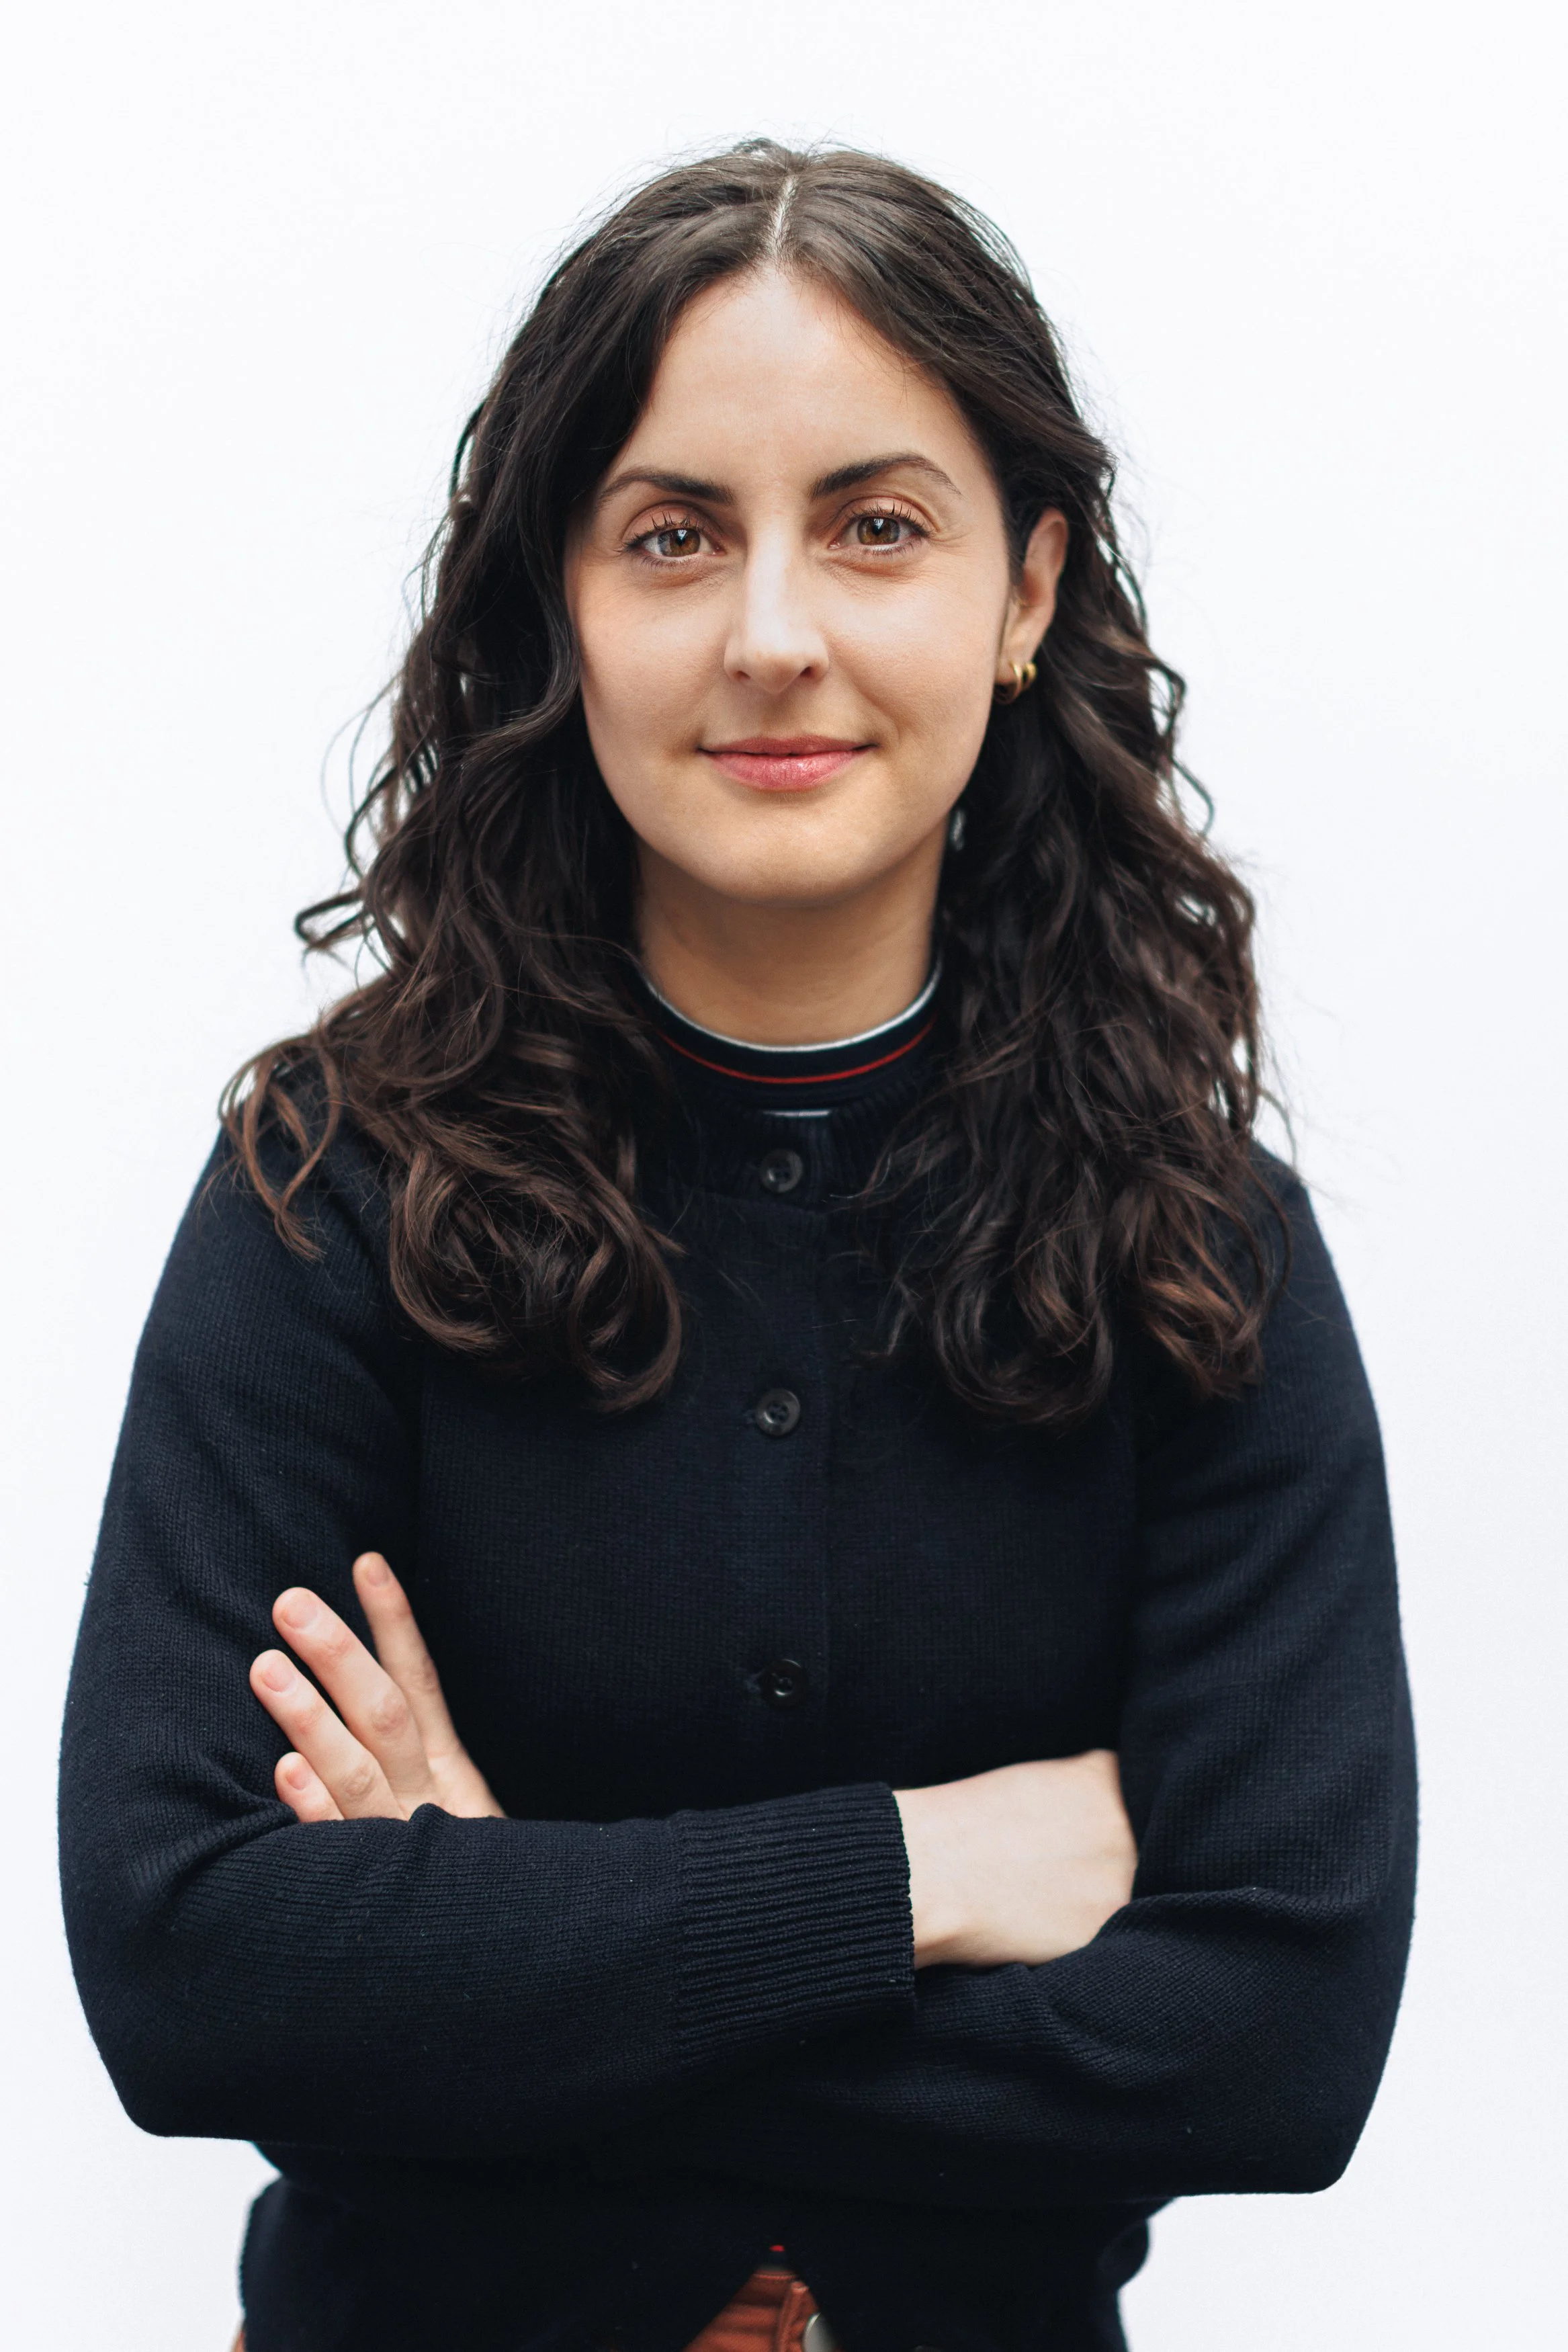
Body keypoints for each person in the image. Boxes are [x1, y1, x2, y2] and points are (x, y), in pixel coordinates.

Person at [58, 142, 1416, 2352]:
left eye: (875, 525)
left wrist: (488, 1937)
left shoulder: (1198, 1245)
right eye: (672, 534)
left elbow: (1277, 2044)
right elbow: (188, 1970)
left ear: (1025, 588)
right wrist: (924, 1873)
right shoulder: (330, 1191)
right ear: (560, 605)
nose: (772, 631)